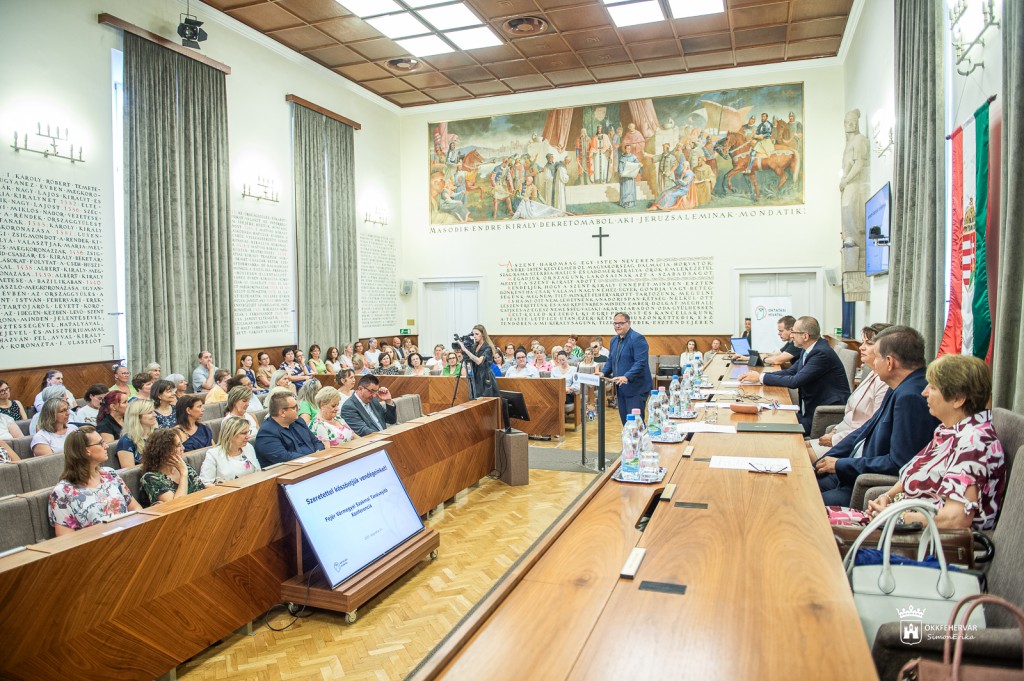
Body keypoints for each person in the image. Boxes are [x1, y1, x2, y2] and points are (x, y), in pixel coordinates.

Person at [830, 354, 1005, 531]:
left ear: (958, 399)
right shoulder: (949, 431)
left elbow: (955, 519)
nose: (924, 392)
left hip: (923, 537)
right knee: (818, 518)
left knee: (819, 525)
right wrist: (888, 497)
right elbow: (916, 471)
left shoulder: (973, 443)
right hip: (903, 524)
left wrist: (898, 517)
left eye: (933, 387)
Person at [814, 326, 940, 507]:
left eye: (877, 357)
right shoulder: (899, 386)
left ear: (889, 362)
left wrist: (841, 465)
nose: (874, 361)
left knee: (800, 503)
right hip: (850, 471)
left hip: (863, 483)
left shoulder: (911, 397)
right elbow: (864, 431)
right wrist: (828, 460)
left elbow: (898, 463)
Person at [738, 316, 850, 435]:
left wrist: (761, 378)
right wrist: (761, 376)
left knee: (772, 428)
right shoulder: (808, 349)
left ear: (805, 336)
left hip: (823, 415)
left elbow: (795, 381)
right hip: (808, 409)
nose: (791, 336)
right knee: (768, 420)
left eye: (794, 332)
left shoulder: (821, 353)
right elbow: (790, 372)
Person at [810, 324, 891, 457]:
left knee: (797, 455)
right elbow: (851, 413)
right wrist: (835, 430)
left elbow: (872, 427)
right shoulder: (872, 373)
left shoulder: (885, 383)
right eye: (863, 342)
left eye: (869, 344)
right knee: (795, 447)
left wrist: (835, 439)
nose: (861, 347)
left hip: (854, 445)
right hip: (842, 435)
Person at [48, 427, 141, 536]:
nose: (106, 446)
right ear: (85, 450)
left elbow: (135, 508)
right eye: (101, 443)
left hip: (129, 536)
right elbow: (66, 539)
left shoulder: (110, 474)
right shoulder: (62, 492)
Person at [601, 312, 653, 424]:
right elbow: (611, 360)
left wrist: (627, 377)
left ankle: (639, 437)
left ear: (628, 323)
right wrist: (603, 373)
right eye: (615, 323)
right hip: (621, 387)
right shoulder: (614, 340)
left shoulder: (638, 339)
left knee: (636, 423)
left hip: (636, 388)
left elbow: (640, 362)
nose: (617, 326)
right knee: (626, 423)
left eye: (620, 323)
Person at [254, 391, 324, 467]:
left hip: (313, 463)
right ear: (282, 413)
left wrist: (318, 453)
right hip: (290, 469)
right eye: (294, 407)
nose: (299, 408)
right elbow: (284, 457)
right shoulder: (267, 433)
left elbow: (316, 442)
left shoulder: (298, 421)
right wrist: (311, 458)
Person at [139, 428, 205, 507]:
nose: (183, 448)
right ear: (165, 450)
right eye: (178, 446)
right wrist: (183, 474)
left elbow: (202, 494)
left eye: (181, 444)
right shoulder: (150, 478)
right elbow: (176, 506)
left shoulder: (187, 468)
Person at [199, 416, 261, 486]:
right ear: (230, 434)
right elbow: (205, 483)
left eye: (248, 432)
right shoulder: (213, 454)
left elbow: (258, 472)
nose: (248, 436)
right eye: (244, 433)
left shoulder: (248, 447)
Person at [457, 324, 500, 399]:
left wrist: (465, 350)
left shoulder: (488, 347)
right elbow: (467, 359)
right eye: (473, 334)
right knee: (475, 399)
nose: (474, 336)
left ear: (483, 334)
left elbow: (479, 361)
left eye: (477, 334)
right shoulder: (474, 346)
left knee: (485, 400)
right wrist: (463, 348)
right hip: (475, 376)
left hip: (486, 378)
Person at [116, 398, 157, 467]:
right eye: (150, 412)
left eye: (154, 411)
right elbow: (130, 471)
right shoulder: (126, 441)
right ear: (137, 417)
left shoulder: (158, 434)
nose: (155, 415)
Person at [618, 144, 641, 208]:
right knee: (625, 190)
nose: (628, 150)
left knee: (631, 190)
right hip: (624, 178)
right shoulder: (622, 158)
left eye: (629, 148)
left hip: (631, 178)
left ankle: (631, 203)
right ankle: (625, 203)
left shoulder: (633, 157)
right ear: (625, 149)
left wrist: (640, 165)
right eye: (627, 148)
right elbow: (620, 167)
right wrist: (621, 173)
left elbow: (638, 163)